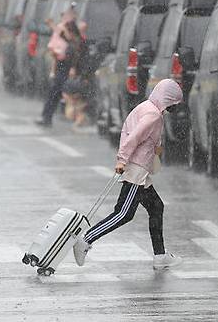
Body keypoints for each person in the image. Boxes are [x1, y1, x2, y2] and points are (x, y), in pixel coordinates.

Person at [72, 79, 184, 270]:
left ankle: (160, 256)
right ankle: (86, 239)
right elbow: (135, 136)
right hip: (137, 169)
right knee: (124, 213)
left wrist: (154, 149)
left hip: (140, 167)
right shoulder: (153, 115)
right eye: (173, 104)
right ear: (167, 100)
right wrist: (122, 159)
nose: (173, 109)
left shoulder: (146, 107)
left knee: (156, 207)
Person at [35, 5, 81, 127]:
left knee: (57, 92)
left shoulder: (72, 30)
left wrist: (70, 65)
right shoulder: (66, 30)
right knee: (55, 92)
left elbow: (70, 42)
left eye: (66, 14)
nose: (64, 17)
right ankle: (47, 117)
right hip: (62, 65)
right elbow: (62, 37)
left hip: (65, 66)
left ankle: (48, 117)